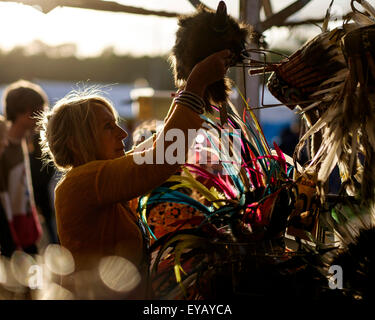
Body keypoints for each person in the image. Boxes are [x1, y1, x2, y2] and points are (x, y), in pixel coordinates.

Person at [38, 49, 231, 299]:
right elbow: (159, 159)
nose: (122, 133)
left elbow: (152, 150)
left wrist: (191, 87)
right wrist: (195, 84)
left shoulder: (97, 177)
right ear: (77, 142)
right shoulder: (81, 182)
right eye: (108, 127)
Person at [0, 80, 47, 256]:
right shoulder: (4, 147)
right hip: (10, 233)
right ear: (26, 112)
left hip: (25, 225)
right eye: (40, 110)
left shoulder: (23, 141)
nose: (43, 115)